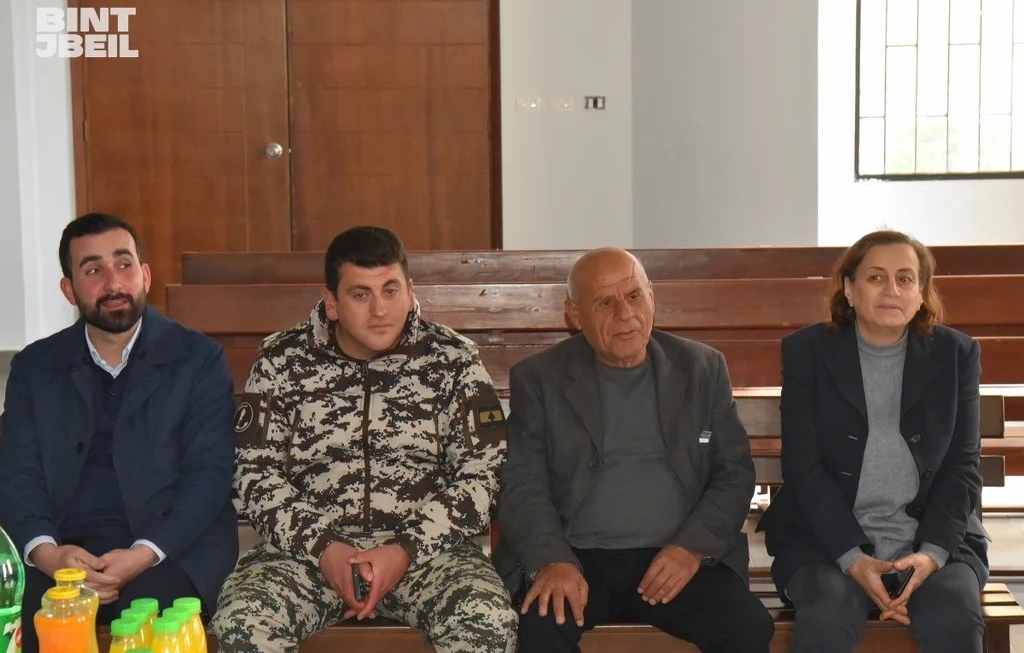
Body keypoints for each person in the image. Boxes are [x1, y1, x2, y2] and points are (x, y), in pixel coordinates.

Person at [211, 225, 516, 653]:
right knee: (242, 622)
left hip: (429, 555)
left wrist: (405, 548)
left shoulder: (452, 360)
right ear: (332, 303)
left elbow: (484, 475)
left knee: (488, 622)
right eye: (360, 294)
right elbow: (253, 475)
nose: (380, 310)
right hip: (306, 556)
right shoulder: (282, 361)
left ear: (409, 291)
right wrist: (324, 548)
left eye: (391, 290)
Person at [493, 247, 774, 653]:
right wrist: (552, 559)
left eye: (634, 296)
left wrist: (692, 547)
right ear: (574, 315)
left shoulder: (702, 368)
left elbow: (734, 473)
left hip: (676, 556)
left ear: (651, 296)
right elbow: (522, 483)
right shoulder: (540, 378)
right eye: (604, 303)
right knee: (537, 630)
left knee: (748, 628)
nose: (625, 314)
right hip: (577, 557)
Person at [0, 213, 238, 653]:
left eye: (123, 265)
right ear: (69, 289)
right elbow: (18, 474)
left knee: (150, 615)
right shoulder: (35, 367)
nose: (113, 282)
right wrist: (48, 554)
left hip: (168, 546)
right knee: (32, 613)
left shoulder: (198, 359)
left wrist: (143, 552)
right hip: (63, 548)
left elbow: (210, 474)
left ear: (145, 275)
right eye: (93, 270)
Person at [757, 230, 987, 653]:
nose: (892, 290)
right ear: (849, 289)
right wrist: (851, 557)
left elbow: (963, 469)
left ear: (921, 293)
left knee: (953, 613)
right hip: (824, 542)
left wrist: (931, 555)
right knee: (828, 612)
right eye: (876, 277)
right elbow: (804, 468)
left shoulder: (957, 354)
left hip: (933, 540)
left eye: (905, 278)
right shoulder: (807, 351)